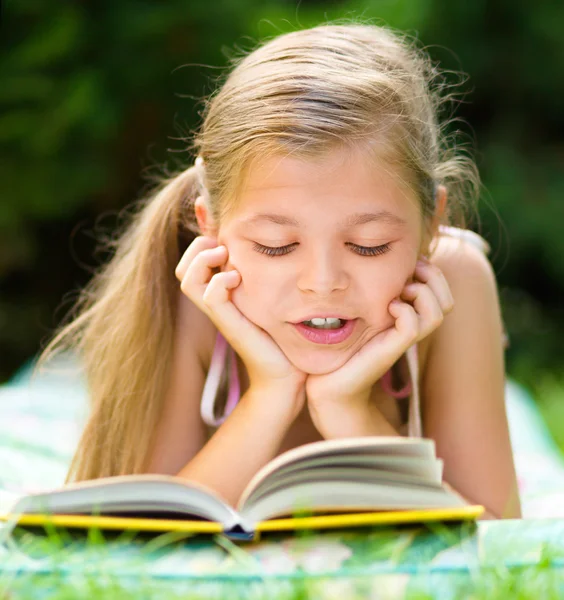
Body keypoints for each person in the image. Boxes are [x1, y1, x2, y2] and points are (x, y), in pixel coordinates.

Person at [36, 22, 521, 519]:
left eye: (368, 246)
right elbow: (136, 538)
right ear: (212, 229)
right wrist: (269, 395)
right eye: (276, 246)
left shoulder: (457, 279)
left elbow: (500, 545)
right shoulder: (190, 296)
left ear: (431, 227)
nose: (322, 281)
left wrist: (347, 410)